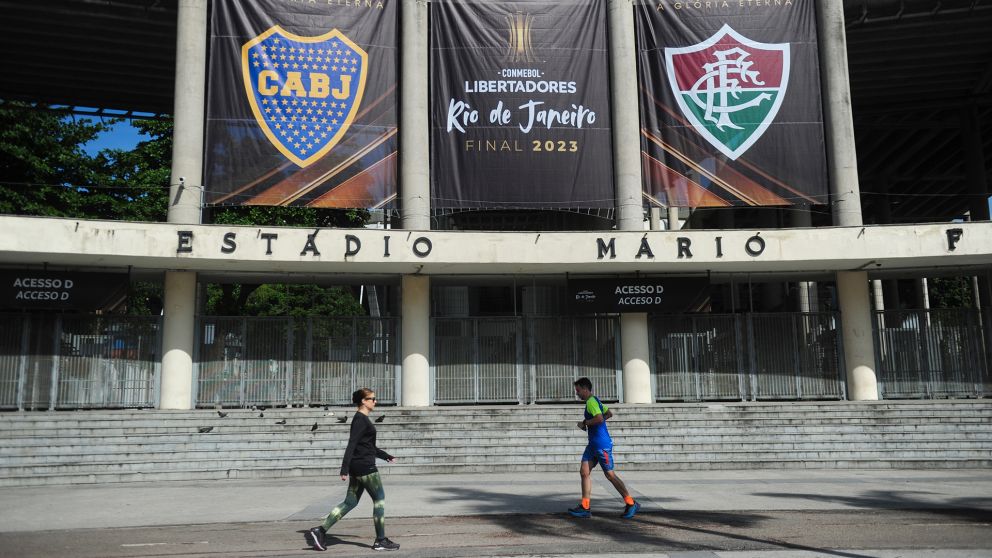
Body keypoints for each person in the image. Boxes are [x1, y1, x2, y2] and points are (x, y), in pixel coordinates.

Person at [308, 388, 400, 551]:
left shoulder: (362, 419)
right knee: (379, 499)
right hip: (365, 466)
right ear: (363, 401)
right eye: (372, 398)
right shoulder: (360, 420)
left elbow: (368, 446)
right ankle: (380, 540)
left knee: (350, 502)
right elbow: (352, 443)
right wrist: (344, 468)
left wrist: (386, 456)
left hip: (359, 466)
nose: (375, 401)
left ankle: (320, 531)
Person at [567, 377, 640, 519]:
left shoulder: (591, 402)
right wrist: (591, 423)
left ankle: (631, 503)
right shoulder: (595, 401)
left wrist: (586, 423)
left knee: (610, 475)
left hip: (602, 445)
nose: (577, 394)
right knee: (584, 471)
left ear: (585, 389)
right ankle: (585, 507)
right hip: (593, 445)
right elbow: (609, 414)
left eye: (578, 391)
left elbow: (600, 418)